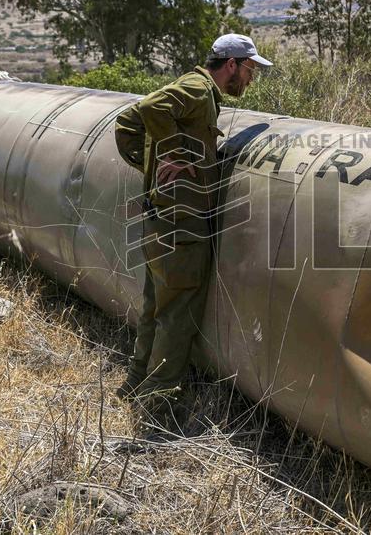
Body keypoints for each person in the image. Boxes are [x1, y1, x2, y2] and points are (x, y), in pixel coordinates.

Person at [114, 34, 272, 418]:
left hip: (161, 218)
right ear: (231, 64)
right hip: (181, 224)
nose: (251, 79)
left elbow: (128, 125)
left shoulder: (199, 94)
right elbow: (149, 108)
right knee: (178, 311)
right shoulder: (198, 90)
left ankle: (135, 381)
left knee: (156, 306)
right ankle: (158, 401)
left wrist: (154, 166)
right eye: (250, 69)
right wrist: (176, 155)